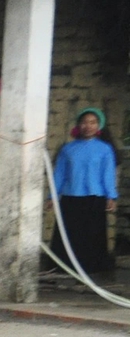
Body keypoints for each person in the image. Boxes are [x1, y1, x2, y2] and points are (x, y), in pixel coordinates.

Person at [51, 107, 118, 276]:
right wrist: (52, 195)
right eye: (84, 122)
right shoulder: (68, 149)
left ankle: (92, 271)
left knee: (92, 236)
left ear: (99, 126)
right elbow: (59, 174)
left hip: (94, 198)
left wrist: (111, 196)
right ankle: (65, 268)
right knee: (69, 235)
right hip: (70, 197)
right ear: (79, 125)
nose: (88, 126)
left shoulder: (105, 149)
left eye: (92, 122)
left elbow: (108, 174)